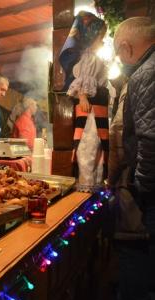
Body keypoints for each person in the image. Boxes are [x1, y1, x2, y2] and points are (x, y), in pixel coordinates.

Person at [113, 16, 155, 300]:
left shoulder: (146, 74)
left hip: (151, 198)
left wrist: (142, 188)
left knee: (137, 275)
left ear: (126, 47)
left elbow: (151, 141)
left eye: (117, 52)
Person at [59, 11, 108, 192]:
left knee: (96, 147)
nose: (102, 40)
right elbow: (81, 79)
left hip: (98, 107)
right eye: (100, 36)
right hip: (90, 110)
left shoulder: (94, 58)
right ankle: (87, 184)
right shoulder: (87, 57)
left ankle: (94, 183)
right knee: (88, 145)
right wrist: (82, 95)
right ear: (91, 36)